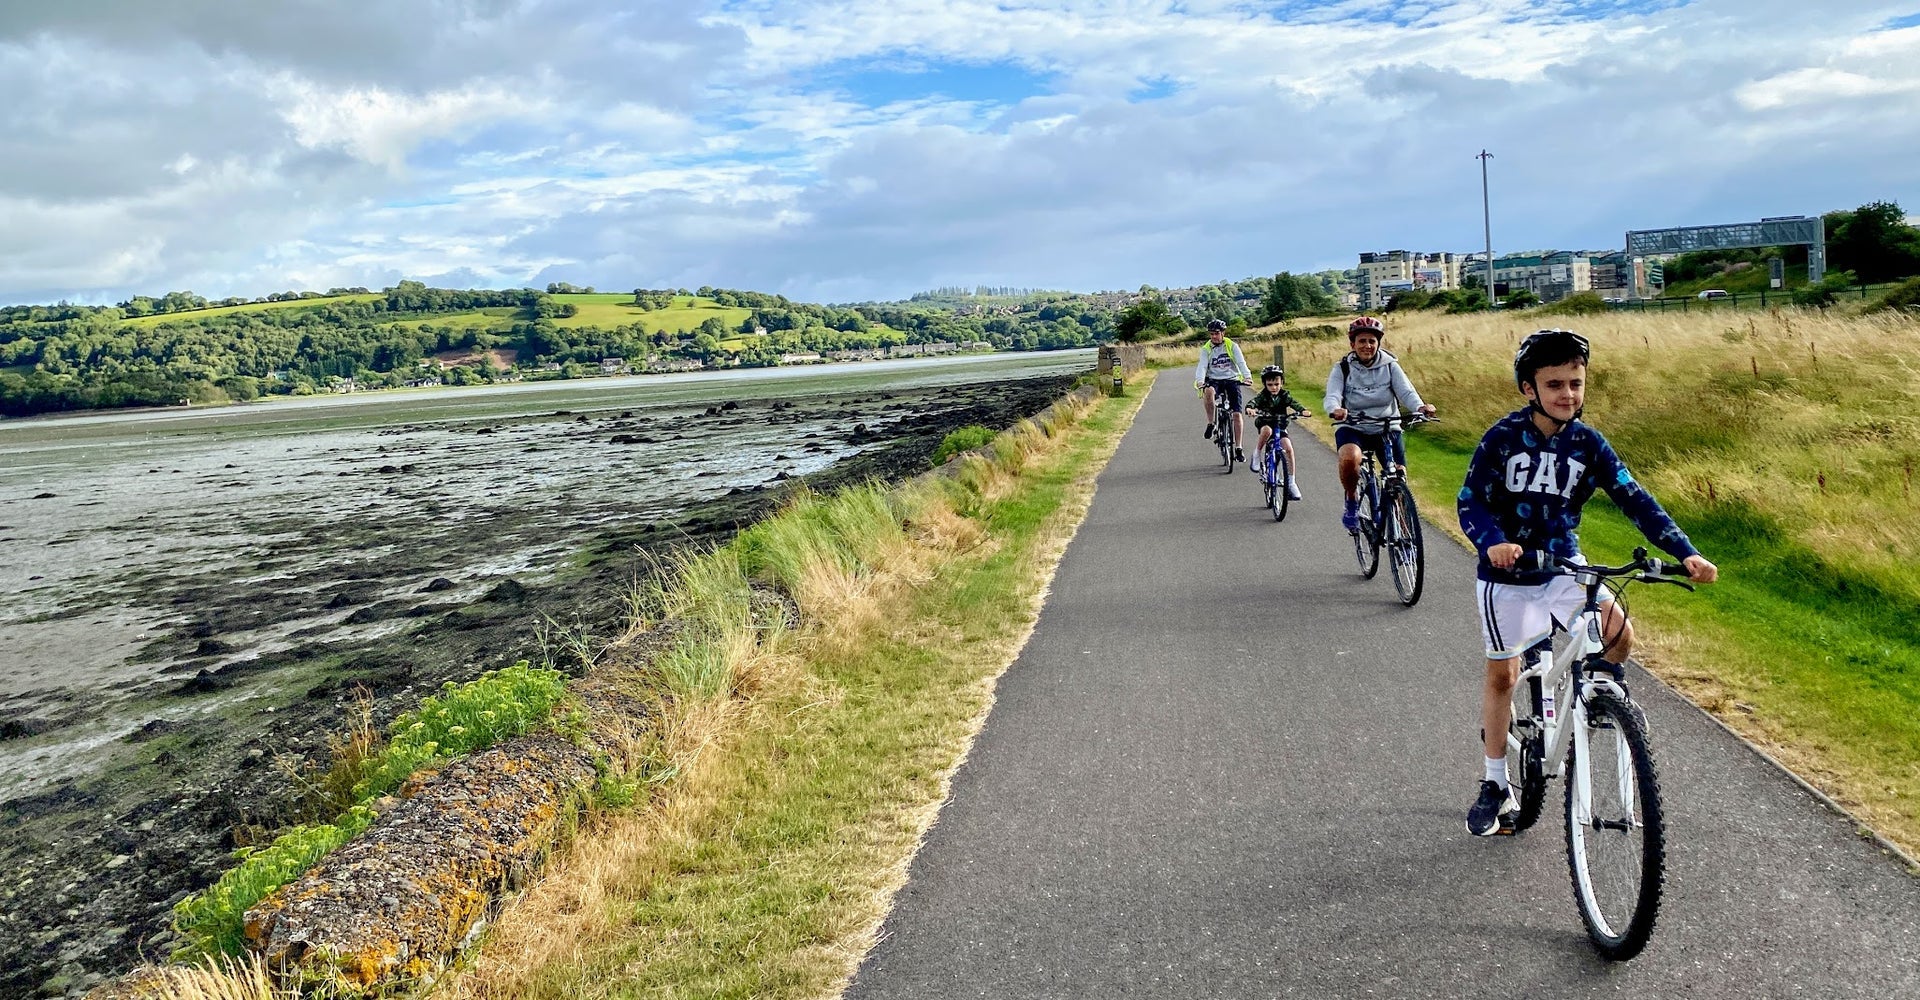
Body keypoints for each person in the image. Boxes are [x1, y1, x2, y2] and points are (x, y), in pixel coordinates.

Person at [1456, 328, 1718, 836]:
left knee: (1619, 634)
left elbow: (1635, 499)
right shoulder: (1502, 438)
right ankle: (1494, 782)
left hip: (1563, 566)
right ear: (1528, 389)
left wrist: (1686, 552)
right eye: (1554, 384)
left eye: (1576, 383)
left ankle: (1605, 699)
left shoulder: (1587, 443)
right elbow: (1470, 500)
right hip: (1507, 576)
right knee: (1504, 676)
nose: (1567, 394)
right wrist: (1490, 540)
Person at [1324, 316, 1435, 531]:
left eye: (1372, 341)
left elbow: (1406, 392)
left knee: (1398, 475)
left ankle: (1405, 532)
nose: (1367, 346)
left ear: (1378, 343)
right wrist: (1335, 409)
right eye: (1362, 341)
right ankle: (1351, 501)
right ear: (1352, 344)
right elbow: (1332, 395)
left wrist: (1420, 408)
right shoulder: (1342, 368)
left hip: (1387, 425)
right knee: (1350, 458)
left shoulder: (1391, 366)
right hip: (1353, 425)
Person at [1194, 318, 1253, 467]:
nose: (1214, 336)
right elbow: (1202, 366)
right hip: (1214, 379)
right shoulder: (1206, 349)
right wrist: (1200, 381)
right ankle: (1211, 423)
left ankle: (1238, 448)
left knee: (1237, 414)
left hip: (1232, 379)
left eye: (1217, 333)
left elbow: (1241, 363)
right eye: (1211, 334)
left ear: (1223, 333)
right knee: (1208, 391)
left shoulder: (1232, 346)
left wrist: (1247, 377)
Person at [1247, 364, 1309, 500]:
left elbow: (1294, 403)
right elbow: (1253, 402)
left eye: (1276, 384)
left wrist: (1302, 410)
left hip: (1280, 425)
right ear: (1264, 384)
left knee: (1288, 448)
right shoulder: (1263, 396)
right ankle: (1257, 453)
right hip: (1265, 422)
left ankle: (1291, 482)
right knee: (1267, 431)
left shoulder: (1284, 395)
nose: (1274, 387)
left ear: (1282, 383)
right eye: (1270, 385)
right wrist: (1250, 409)